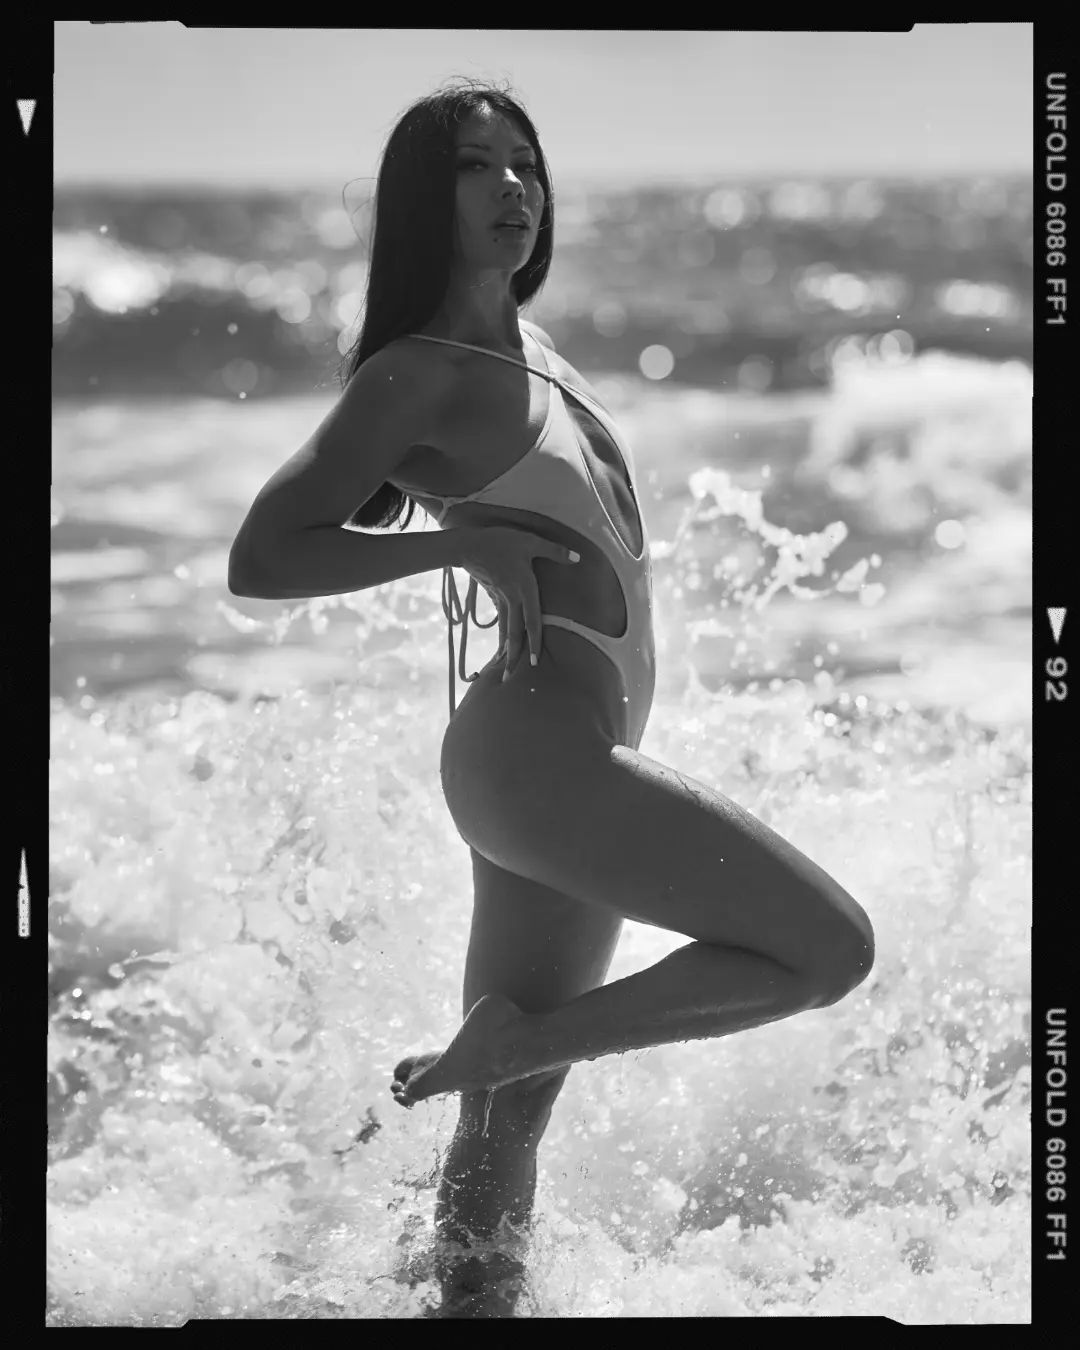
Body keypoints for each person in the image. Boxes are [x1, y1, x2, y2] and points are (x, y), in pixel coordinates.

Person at [227, 78, 875, 1319]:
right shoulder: (416, 376)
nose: (513, 186)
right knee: (829, 950)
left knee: (505, 1121)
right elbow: (263, 555)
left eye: (525, 163)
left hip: (560, 760)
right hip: (535, 758)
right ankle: (513, 1045)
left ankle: (468, 1307)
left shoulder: (535, 355)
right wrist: (454, 545)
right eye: (477, 166)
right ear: (426, 199)